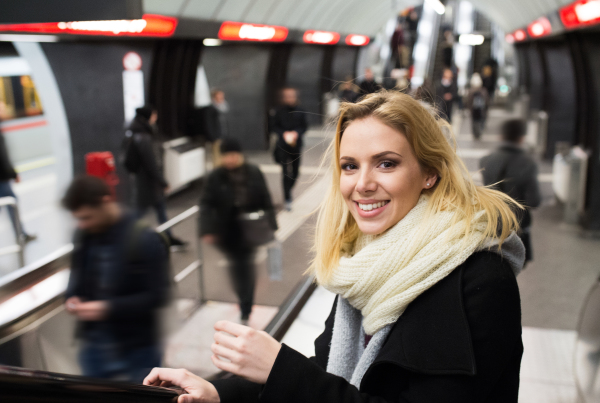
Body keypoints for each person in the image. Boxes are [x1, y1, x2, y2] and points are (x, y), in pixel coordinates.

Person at [144, 92, 525, 402]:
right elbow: (332, 370)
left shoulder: (481, 280)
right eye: (349, 166)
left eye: (386, 164)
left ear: (430, 172)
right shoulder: (367, 262)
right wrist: (220, 392)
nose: (362, 184)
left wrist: (280, 368)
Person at [62, 175, 169, 383]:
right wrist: (71, 296)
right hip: (94, 347)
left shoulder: (143, 237)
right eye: (78, 219)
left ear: (105, 202)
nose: (82, 224)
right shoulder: (84, 235)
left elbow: (157, 296)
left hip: (138, 349)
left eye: (87, 217)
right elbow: (77, 275)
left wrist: (106, 308)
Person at [200, 138, 277, 325]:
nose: (230, 159)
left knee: (244, 268)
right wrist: (207, 229)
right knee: (238, 269)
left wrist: (272, 224)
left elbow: (266, 197)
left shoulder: (253, 172)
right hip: (227, 231)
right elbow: (206, 204)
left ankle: (245, 305)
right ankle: (245, 301)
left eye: (233, 155)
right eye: (226, 156)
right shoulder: (216, 176)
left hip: (250, 228)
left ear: (240, 155)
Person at [125, 106, 186, 250]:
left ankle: (168, 236)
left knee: (159, 210)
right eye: (154, 115)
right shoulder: (144, 136)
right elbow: (150, 163)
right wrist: (162, 181)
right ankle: (125, 239)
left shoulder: (138, 133)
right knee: (140, 212)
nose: (156, 118)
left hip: (147, 182)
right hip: (148, 183)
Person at [480, 119, 541, 264]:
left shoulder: (486, 160)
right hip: (518, 227)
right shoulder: (528, 163)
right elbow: (534, 201)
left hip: (492, 224)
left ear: (501, 136)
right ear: (522, 137)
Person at [0, 110, 36, 244]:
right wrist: (13, 174)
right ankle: (21, 235)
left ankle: (21, 234)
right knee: (11, 205)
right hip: (2, 179)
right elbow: (3, 156)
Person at [272, 87, 308, 210]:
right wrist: (284, 133)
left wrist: (296, 133)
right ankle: (287, 197)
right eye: (287, 96)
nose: (289, 98)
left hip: (296, 145)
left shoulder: (301, 111)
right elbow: (274, 126)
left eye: (291, 96)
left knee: (295, 172)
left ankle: (289, 188)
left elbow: (304, 126)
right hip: (282, 145)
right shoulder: (278, 111)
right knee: (285, 173)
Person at [203, 89, 230, 167]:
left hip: (223, 135)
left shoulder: (223, 107)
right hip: (216, 136)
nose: (222, 97)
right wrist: (212, 136)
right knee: (217, 156)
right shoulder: (211, 109)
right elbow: (209, 124)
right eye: (219, 95)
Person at [467, 73, 489, 140]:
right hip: (480, 110)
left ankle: (476, 133)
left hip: (474, 110)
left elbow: (467, 101)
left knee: (474, 121)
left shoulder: (471, 91)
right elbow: (487, 101)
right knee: (480, 121)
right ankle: (478, 133)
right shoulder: (483, 91)